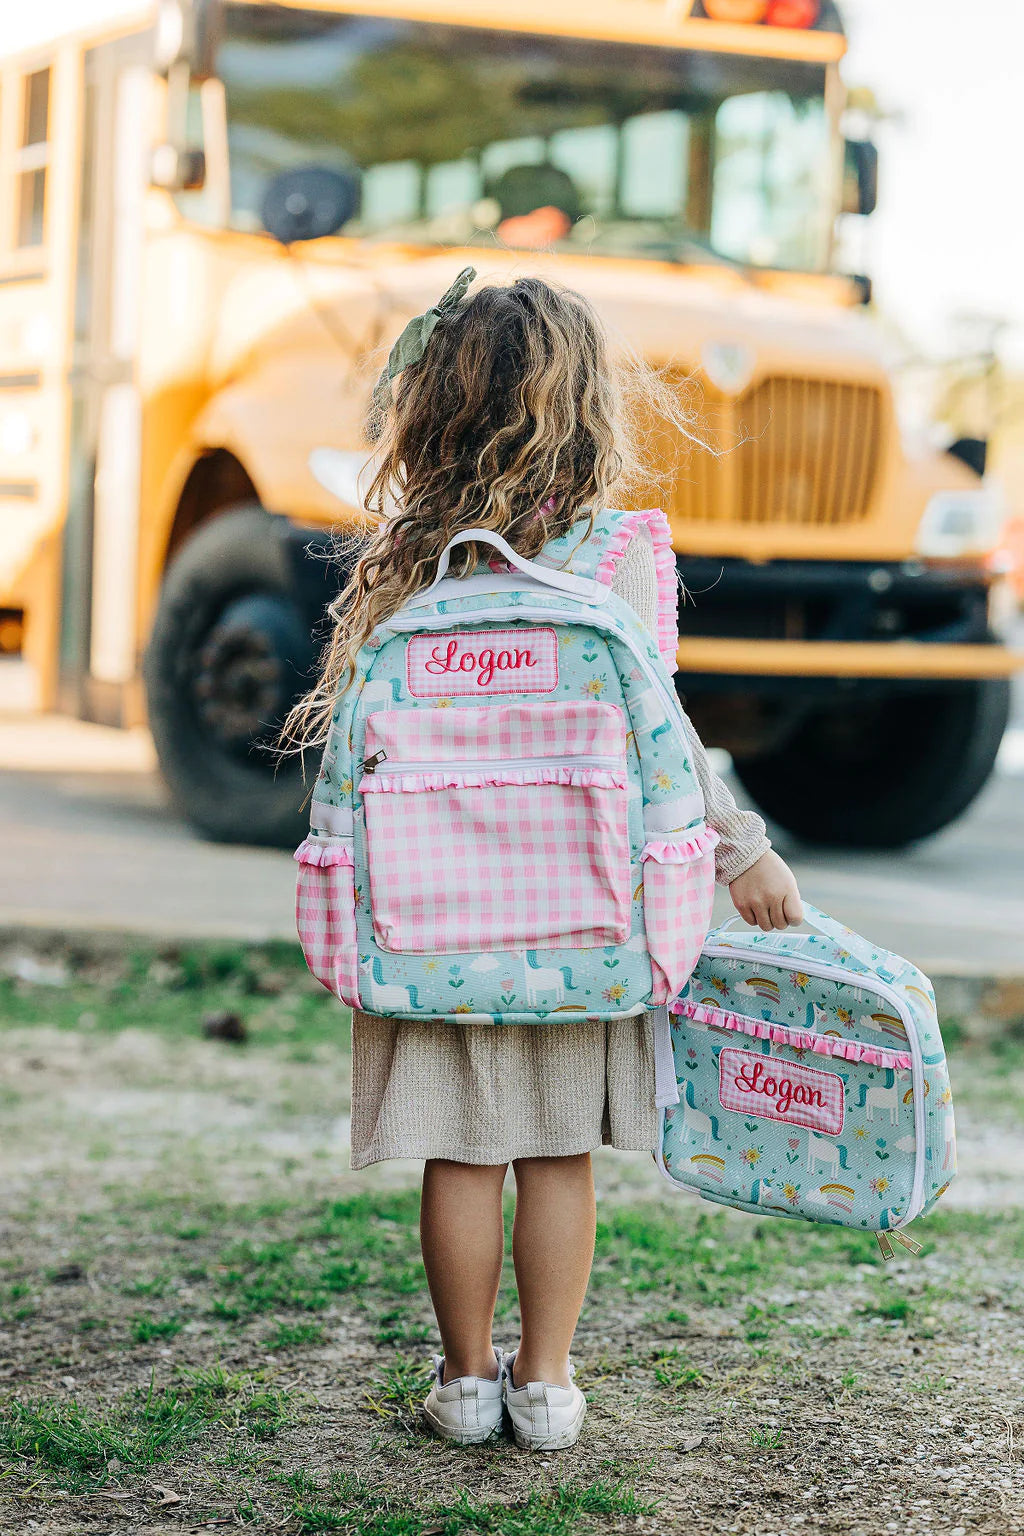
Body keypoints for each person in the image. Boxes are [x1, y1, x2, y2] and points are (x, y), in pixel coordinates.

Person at [286, 270, 803, 1452]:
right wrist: (744, 856)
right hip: (584, 914)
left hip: (429, 918)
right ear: (585, 407)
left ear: (430, 409)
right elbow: (660, 729)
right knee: (556, 1152)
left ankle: (465, 1384)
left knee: (461, 1157)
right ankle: (549, 1382)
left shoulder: (407, 557)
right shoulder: (618, 552)